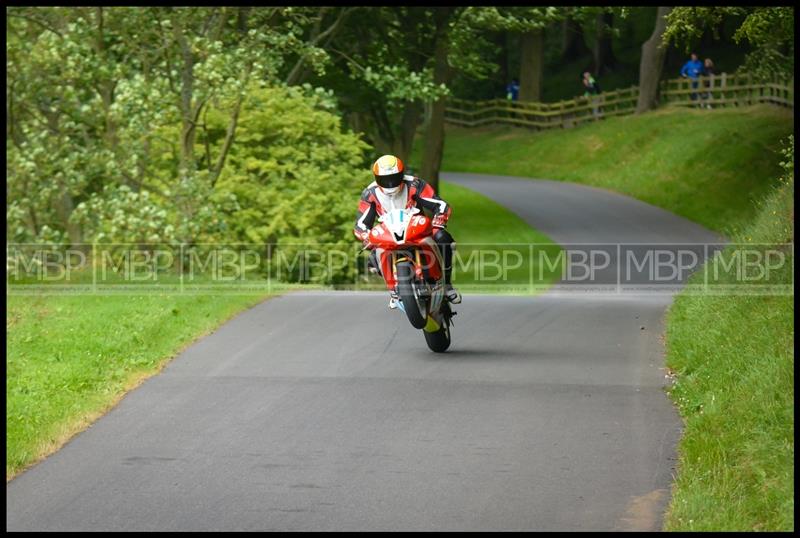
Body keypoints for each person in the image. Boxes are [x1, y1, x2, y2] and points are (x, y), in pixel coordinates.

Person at [354, 155, 461, 309]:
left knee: (442, 237)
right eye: (385, 179)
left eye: (394, 178)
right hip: (389, 234)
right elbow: (361, 223)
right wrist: (365, 236)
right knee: (373, 255)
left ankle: (448, 285)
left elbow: (440, 204)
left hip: (417, 229)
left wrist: (439, 221)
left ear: (402, 174)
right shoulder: (370, 194)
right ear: (377, 178)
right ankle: (393, 290)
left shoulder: (414, 184)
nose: (390, 183)